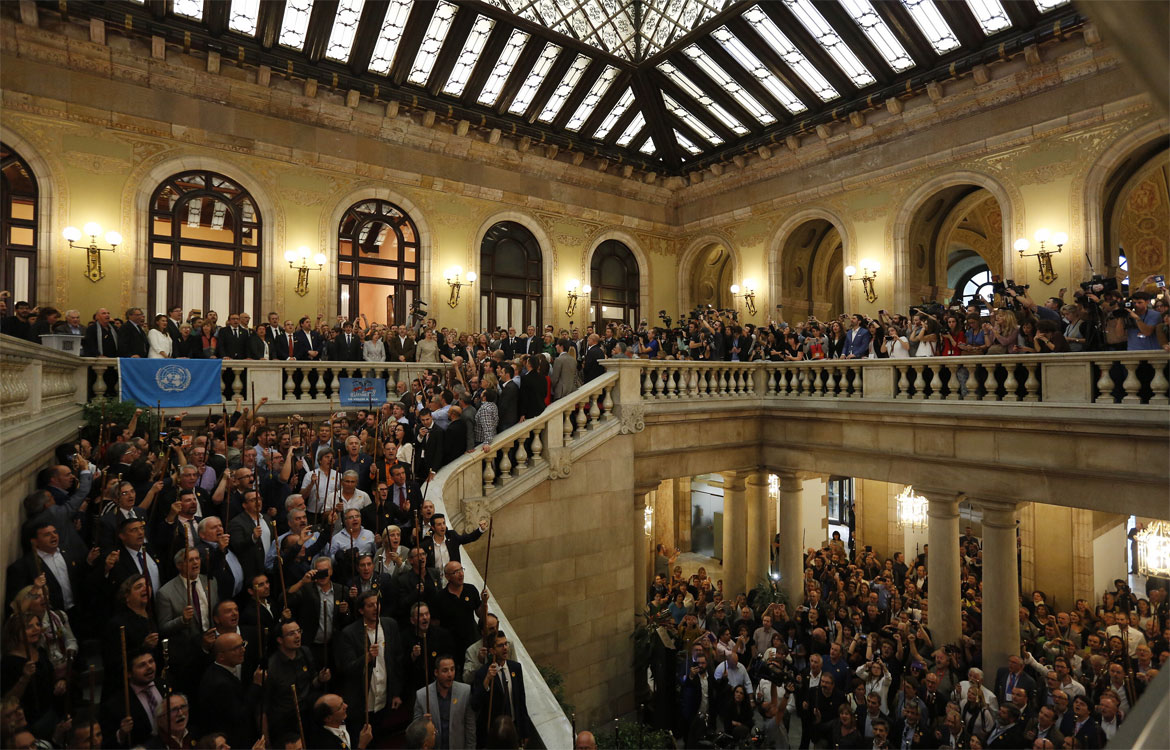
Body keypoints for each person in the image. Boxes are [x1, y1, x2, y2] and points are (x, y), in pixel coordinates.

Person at [471, 631, 531, 747]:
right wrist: (487, 680)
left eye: (506, 644)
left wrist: (525, 731)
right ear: (492, 651)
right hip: (495, 733)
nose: (505, 648)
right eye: (500, 645)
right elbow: (475, 704)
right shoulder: (482, 673)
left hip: (514, 729)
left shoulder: (515, 668)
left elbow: (521, 701)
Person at [414, 654, 476, 749]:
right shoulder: (422, 695)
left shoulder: (465, 691)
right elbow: (415, 731)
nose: (450, 674)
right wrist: (423, 722)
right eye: (445, 670)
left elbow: (470, 728)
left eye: (452, 669)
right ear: (436, 672)